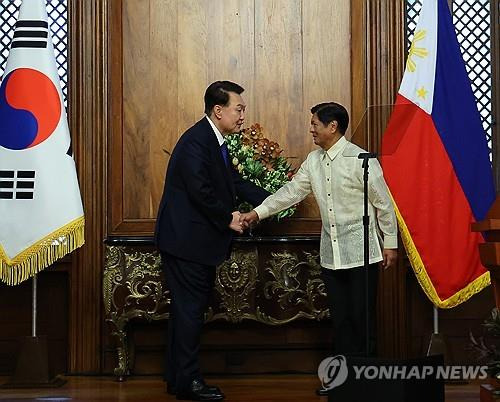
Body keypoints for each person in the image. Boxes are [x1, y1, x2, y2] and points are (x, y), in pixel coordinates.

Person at [240, 102, 398, 395]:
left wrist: (390, 244)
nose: (311, 128)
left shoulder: (361, 158)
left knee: (362, 319)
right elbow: (290, 193)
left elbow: (384, 204)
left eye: (315, 124)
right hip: (331, 254)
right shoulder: (313, 161)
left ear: (332, 127)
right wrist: (257, 213)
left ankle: (366, 385)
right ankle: (342, 383)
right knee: (340, 320)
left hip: (362, 251)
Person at [155, 81, 270, 401]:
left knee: (185, 312)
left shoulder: (211, 139)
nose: (243, 115)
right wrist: (227, 218)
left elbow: (231, 182)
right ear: (218, 110)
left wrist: (273, 201)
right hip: (186, 242)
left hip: (189, 240)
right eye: (239, 108)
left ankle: (178, 379)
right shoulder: (197, 141)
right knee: (190, 312)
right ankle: (190, 382)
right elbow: (200, 190)